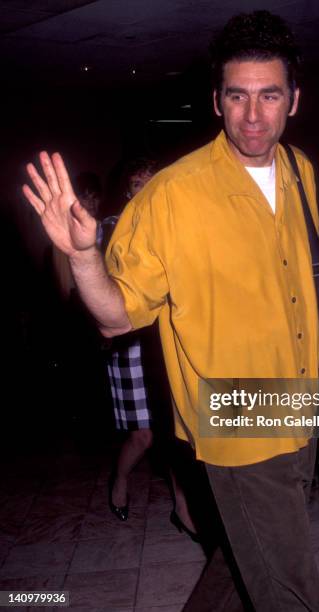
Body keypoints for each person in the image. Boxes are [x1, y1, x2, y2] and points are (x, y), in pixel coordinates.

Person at [23, 11, 319, 611]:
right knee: (290, 588)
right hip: (235, 418)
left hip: (302, 401)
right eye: (238, 96)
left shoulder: (300, 171)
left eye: (270, 95)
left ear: (294, 100)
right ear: (217, 101)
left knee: (247, 555)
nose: (254, 115)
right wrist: (85, 259)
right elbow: (115, 317)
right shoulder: (173, 195)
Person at [101, 156, 196, 536]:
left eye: (152, 182)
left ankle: (183, 508)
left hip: (168, 344)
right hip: (130, 347)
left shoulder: (174, 227)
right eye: (138, 183)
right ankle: (120, 481)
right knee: (144, 435)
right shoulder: (113, 229)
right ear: (127, 191)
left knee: (177, 432)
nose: (146, 190)